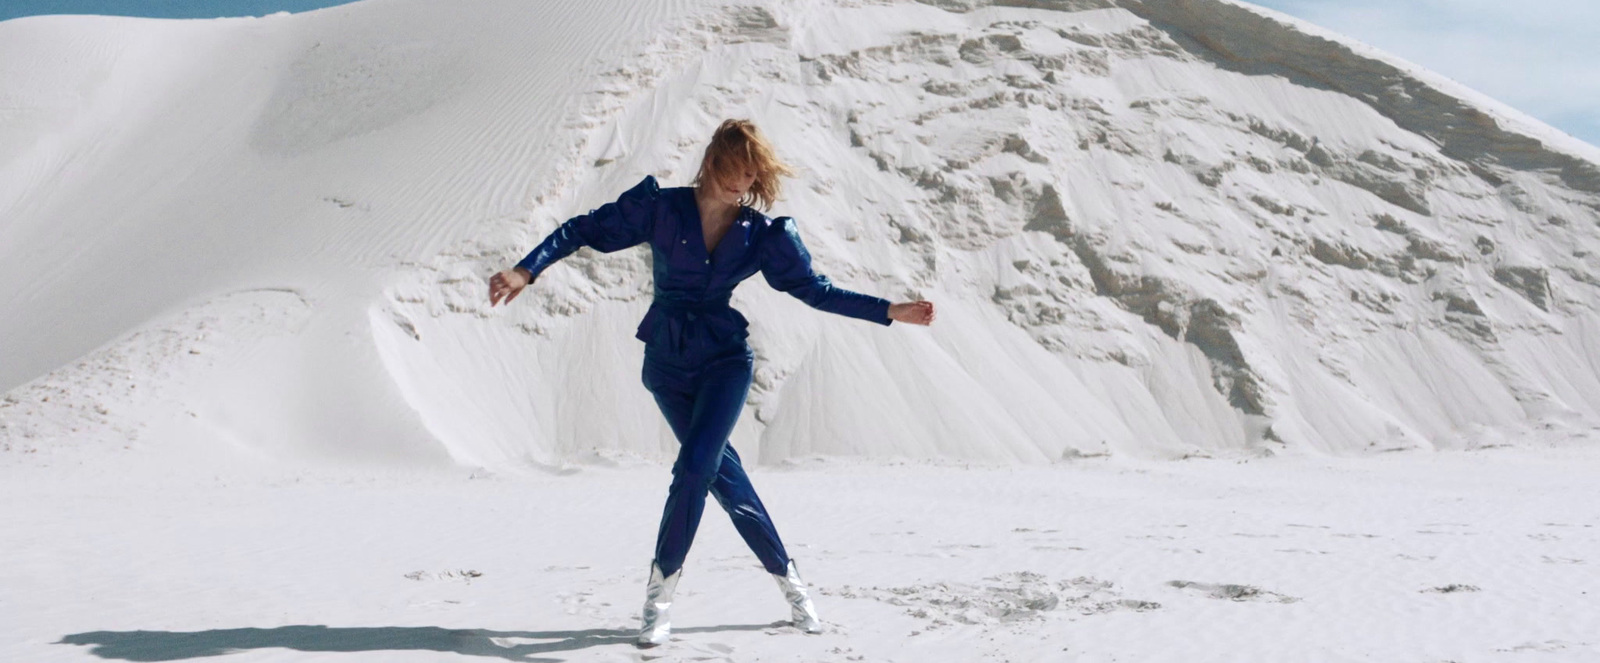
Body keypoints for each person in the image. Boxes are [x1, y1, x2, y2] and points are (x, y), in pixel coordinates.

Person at [487, 119, 936, 648]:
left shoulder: (760, 235)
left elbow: (815, 291)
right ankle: (791, 585)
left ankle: (658, 603)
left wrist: (889, 310)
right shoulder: (660, 209)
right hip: (667, 365)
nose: (739, 182)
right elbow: (582, 229)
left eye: (749, 174)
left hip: (725, 360)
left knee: (696, 466)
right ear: (711, 161)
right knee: (722, 477)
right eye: (731, 168)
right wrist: (526, 270)